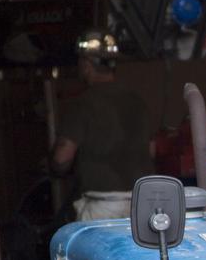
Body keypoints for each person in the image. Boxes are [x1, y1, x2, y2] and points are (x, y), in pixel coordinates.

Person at [52, 30, 154, 220]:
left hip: (103, 206)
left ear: (86, 65)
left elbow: (62, 158)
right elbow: (151, 149)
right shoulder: (136, 101)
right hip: (143, 201)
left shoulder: (83, 104)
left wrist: (55, 169)